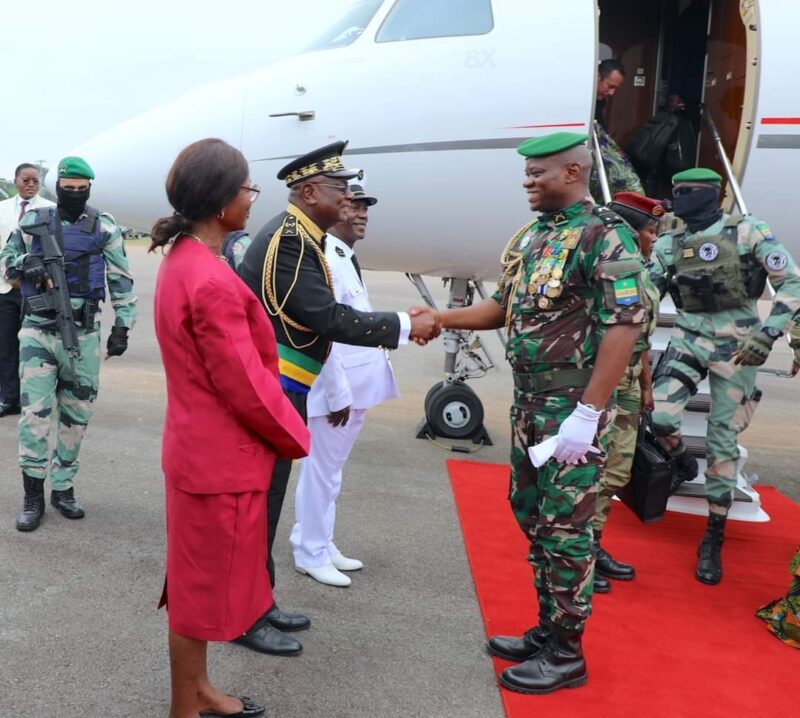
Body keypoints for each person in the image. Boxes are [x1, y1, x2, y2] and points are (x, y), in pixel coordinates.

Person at [434, 132, 647, 694]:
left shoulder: (605, 236)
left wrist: (589, 414)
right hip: (530, 406)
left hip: (571, 411)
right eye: (526, 174)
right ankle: (548, 628)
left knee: (567, 530)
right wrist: (439, 319)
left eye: (539, 173)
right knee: (531, 514)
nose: (528, 182)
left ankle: (568, 652)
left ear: (575, 172)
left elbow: (623, 326)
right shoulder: (534, 238)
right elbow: (501, 308)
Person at [237, 140, 438, 656]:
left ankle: (260, 602)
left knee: (271, 498)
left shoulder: (304, 238)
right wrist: (402, 324)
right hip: (272, 389)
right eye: (340, 189)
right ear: (309, 191)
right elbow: (324, 316)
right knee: (262, 502)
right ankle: (247, 615)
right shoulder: (289, 241)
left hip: (285, 387)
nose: (348, 199)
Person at [150, 138, 310, 718]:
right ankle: (183, 708)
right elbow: (246, 386)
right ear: (222, 203)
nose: (252, 199)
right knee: (198, 597)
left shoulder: (184, 260)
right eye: (248, 189)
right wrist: (297, 437)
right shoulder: (210, 279)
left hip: (197, 452)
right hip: (218, 461)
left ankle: (199, 690)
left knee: (197, 583)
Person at [649, 168, 800, 585]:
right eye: (675, 191)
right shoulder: (670, 241)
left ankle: (714, 535)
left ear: (711, 194)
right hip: (689, 338)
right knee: (659, 417)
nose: (678, 198)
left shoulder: (750, 231)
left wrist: (769, 335)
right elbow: (648, 294)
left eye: (687, 192)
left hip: (741, 346)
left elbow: (792, 283)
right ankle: (680, 460)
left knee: (721, 440)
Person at [0, 157, 137, 532]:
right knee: (34, 417)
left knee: (77, 416)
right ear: (57, 187)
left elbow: (121, 278)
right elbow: (7, 262)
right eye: (68, 188)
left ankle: (63, 488)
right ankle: (32, 495)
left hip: (84, 334)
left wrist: (122, 326)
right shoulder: (34, 224)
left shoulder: (104, 226)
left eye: (81, 189)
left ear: (89, 188)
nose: (74, 194)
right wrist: (28, 264)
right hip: (38, 332)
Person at [289, 179, 400, 587]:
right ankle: (310, 552)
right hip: (339, 392)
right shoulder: (328, 259)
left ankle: (319, 539)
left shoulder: (343, 255)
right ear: (336, 209)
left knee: (331, 471)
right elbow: (327, 333)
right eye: (353, 204)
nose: (362, 212)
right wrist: (337, 392)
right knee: (321, 471)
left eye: (366, 204)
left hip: (355, 389)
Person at [591, 192, 663, 594]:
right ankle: (582, 549)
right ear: (630, 232)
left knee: (618, 469)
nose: (654, 238)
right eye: (650, 230)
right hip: (609, 380)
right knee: (597, 469)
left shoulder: (641, 271)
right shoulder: (611, 268)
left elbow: (642, 336)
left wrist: (646, 384)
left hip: (632, 379)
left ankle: (594, 543)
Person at [0, 164, 54, 417]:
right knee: (6, 345)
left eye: (35, 180)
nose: (31, 184)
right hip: (5, 289)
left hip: (37, 290)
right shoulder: (1, 209)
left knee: (35, 346)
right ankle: (9, 398)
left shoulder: (51, 210)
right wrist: (9, 277)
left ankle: (31, 397)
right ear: (15, 181)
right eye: (26, 180)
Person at [591, 59, 645, 202]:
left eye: (615, 89)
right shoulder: (586, 102)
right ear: (597, 77)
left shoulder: (599, 102)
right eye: (610, 86)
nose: (611, 93)